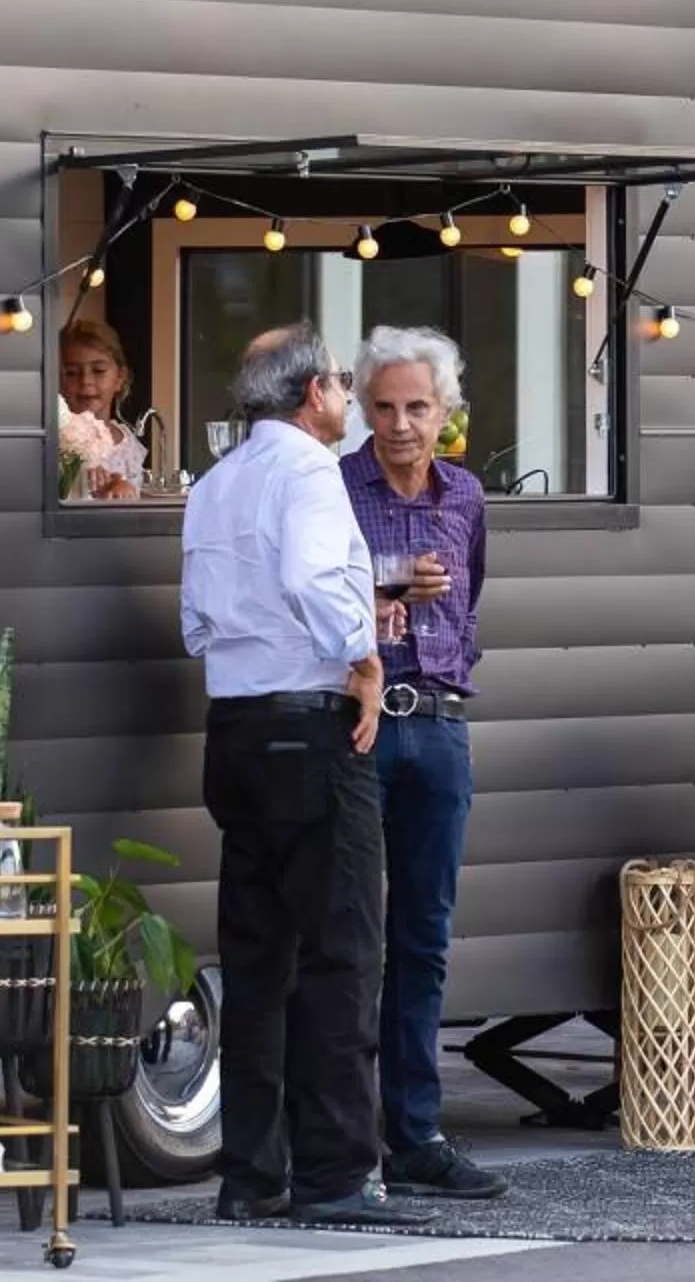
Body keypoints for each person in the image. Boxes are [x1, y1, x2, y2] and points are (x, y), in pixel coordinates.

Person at [178, 324, 426, 1228]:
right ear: (312, 392)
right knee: (342, 951)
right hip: (310, 725)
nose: (348, 396)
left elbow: (196, 621)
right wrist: (363, 656)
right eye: (341, 381)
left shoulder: (215, 482)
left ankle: (251, 1174)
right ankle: (335, 1174)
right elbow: (313, 578)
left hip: (234, 725)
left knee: (256, 960)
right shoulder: (312, 472)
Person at [338, 326, 506, 1201]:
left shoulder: (466, 494)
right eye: (384, 407)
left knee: (424, 939)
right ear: (362, 410)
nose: (400, 424)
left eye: (416, 407)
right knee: (347, 934)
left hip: (440, 727)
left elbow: (470, 598)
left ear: (446, 412)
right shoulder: (334, 489)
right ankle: (338, 1138)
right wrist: (383, 595)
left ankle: (416, 1134)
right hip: (357, 724)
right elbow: (310, 599)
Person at [57, 319, 148, 500]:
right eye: (72, 373)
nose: (86, 381)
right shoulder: (55, 438)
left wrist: (122, 489)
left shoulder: (127, 444)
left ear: (119, 378)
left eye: (98, 371)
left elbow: (134, 496)